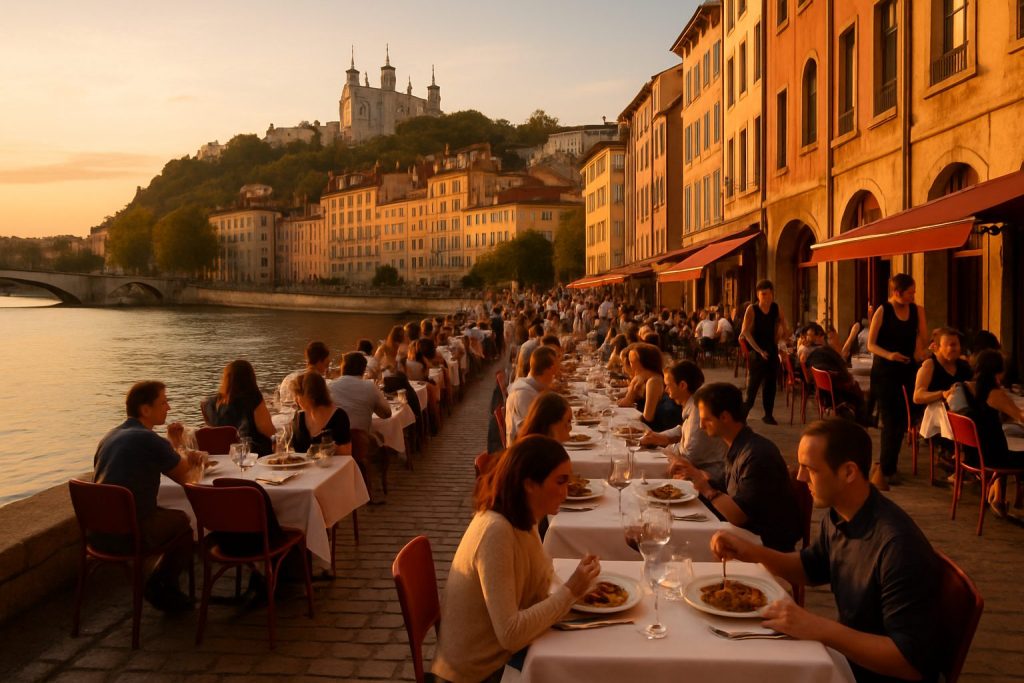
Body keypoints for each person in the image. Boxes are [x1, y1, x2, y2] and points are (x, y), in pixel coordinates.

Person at [711, 418, 940, 683]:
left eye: (810, 468)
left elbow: (910, 663)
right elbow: (811, 568)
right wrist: (750, 552)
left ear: (848, 472)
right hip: (845, 658)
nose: (799, 477)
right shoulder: (841, 513)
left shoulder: (897, 546)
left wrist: (821, 629)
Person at [432, 435, 602, 683]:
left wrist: (576, 589)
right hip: (481, 673)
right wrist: (570, 591)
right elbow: (510, 633)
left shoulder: (524, 515)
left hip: (506, 656)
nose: (568, 491)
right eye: (561, 481)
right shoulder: (496, 531)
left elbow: (538, 579)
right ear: (530, 484)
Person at [93, 381, 204, 612]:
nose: (169, 408)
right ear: (145, 410)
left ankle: (162, 587)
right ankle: (161, 586)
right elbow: (188, 480)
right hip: (131, 533)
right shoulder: (149, 439)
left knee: (165, 514)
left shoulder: (110, 436)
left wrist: (172, 445)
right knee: (184, 523)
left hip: (98, 533)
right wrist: (195, 459)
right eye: (163, 402)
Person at [672, 382, 801, 551]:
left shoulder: (756, 455)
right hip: (746, 533)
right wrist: (698, 475)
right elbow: (733, 491)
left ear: (725, 417)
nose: (702, 426)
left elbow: (739, 516)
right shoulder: (739, 444)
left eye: (706, 420)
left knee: (680, 545)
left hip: (765, 546)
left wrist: (707, 489)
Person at [867, 274, 928, 489]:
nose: (913, 295)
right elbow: (871, 344)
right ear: (896, 292)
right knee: (890, 420)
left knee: (903, 421)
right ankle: (886, 469)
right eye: (910, 292)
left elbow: (922, 337)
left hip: (908, 369)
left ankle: (888, 465)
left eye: (913, 291)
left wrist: (921, 351)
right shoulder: (883, 310)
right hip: (885, 371)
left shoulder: (917, 310)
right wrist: (889, 355)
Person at [641, 360, 727, 488]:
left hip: (708, 479)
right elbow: (683, 429)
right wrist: (658, 436)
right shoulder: (692, 403)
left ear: (682, 385)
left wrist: (665, 447)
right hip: (694, 470)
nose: (665, 390)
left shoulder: (698, 409)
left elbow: (689, 455)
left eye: (668, 385)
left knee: (645, 476)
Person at [959, 349, 1024, 514]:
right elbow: (1019, 416)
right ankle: (1002, 497)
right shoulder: (995, 392)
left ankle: (998, 498)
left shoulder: (972, 387)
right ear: (999, 370)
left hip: (977, 453)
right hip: (994, 457)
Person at [203, 360, 275, 456]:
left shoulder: (209, 405)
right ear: (250, 378)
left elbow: (214, 436)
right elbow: (269, 431)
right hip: (254, 458)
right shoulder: (253, 399)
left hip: (223, 459)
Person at [741, 280, 788, 425]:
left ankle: (768, 415)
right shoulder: (752, 309)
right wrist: (758, 350)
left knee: (771, 385)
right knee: (753, 387)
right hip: (757, 351)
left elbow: (784, 326)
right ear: (758, 295)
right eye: (763, 294)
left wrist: (781, 336)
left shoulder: (776, 308)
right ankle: (742, 417)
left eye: (769, 294)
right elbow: (745, 332)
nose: (766, 298)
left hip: (772, 350)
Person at [803, 323, 867, 424]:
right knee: (857, 387)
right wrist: (851, 337)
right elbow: (841, 367)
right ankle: (864, 419)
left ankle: (864, 417)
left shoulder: (821, 353)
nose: (837, 341)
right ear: (825, 338)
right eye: (834, 338)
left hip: (827, 394)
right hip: (836, 395)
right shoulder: (824, 353)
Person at [618, 342, 680, 432]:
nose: (630, 365)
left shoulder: (653, 381)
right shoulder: (645, 378)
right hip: (647, 428)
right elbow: (626, 402)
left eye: (632, 362)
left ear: (643, 362)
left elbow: (647, 418)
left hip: (654, 431)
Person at [505, 346, 560, 444]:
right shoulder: (524, 394)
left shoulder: (533, 388)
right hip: (524, 452)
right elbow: (532, 432)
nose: (556, 375)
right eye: (555, 370)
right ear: (549, 370)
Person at [290, 371, 352, 455]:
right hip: (302, 467)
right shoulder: (299, 417)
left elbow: (346, 453)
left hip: (332, 467)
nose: (295, 400)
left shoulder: (338, 417)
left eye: (298, 395)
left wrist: (331, 448)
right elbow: (293, 450)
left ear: (310, 395)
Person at [913, 327, 971, 407]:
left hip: (960, 414)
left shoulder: (964, 365)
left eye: (957, 344)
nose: (956, 349)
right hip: (935, 415)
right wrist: (942, 394)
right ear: (937, 347)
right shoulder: (929, 365)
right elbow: (917, 396)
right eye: (952, 345)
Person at [278, 341, 330, 406]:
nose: (328, 364)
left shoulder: (290, 378)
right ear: (320, 361)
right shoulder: (318, 383)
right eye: (327, 360)